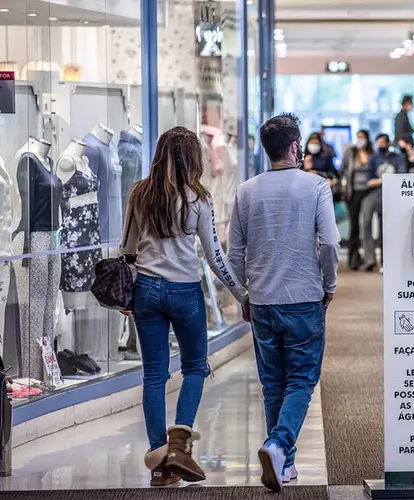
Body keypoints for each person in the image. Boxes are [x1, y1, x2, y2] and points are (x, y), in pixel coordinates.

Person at [120, 127, 249, 487]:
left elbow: (127, 249)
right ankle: (179, 446)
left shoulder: (139, 194)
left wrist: (127, 297)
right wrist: (243, 296)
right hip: (185, 293)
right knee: (195, 367)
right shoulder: (198, 198)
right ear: (194, 158)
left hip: (146, 291)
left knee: (153, 376)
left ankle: (160, 464)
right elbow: (215, 257)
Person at [228, 113, 340, 492]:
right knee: (302, 380)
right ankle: (277, 444)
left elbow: (234, 254)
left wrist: (242, 295)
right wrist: (329, 283)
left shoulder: (245, 190)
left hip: (261, 302)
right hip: (303, 298)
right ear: (295, 147)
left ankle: (285, 465)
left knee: (273, 383)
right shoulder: (316, 187)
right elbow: (329, 243)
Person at [361, 133, 405, 272]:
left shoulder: (397, 158)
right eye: (378, 143)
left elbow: (401, 177)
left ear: (388, 144)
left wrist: (382, 180)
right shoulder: (374, 159)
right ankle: (370, 260)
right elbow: (369, 181)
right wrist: (384, 180)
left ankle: (386, 262)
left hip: (392, 196)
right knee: (365, 222)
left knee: (385, 229)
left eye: (382, 143)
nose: (380, 145)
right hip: (375, 194)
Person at [340, 130, 375, 270]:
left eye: (363, 137)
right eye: (358, 137)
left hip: (369, 191)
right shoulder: (351, 152)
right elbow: (342, 169)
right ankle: (353, 258)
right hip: (353, 192)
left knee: (366, 224)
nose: (360, 140)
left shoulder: (372, 153)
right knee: (354, 227)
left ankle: (369, 259)